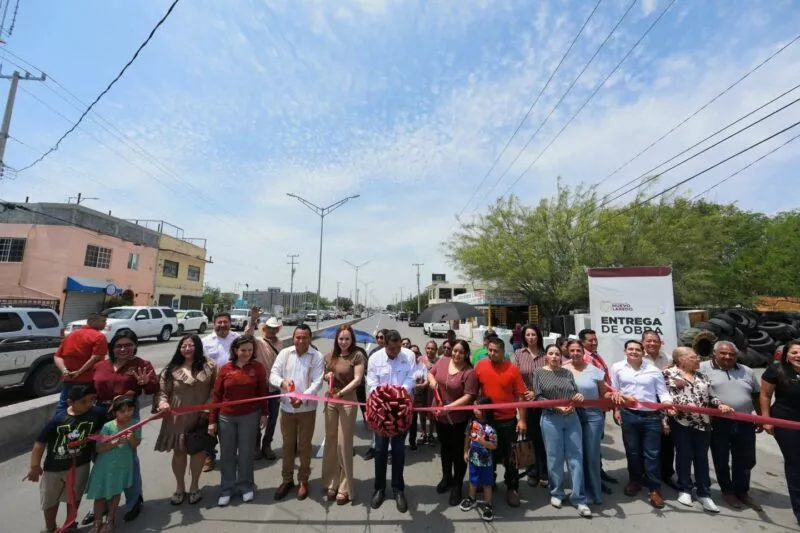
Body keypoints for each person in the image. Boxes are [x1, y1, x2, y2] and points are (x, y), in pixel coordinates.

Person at [83, 330, 156, 525]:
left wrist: (145, 384)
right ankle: (103, 504)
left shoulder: (142, 365)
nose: (123, 349)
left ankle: (134, 502)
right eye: (119, 345)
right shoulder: (101, 366)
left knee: (127, 458)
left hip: (126, 415)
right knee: (101, 458)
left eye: (128, 344)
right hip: (100, 414)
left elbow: (153, 389)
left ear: (135, 345)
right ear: (112, 347)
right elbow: (90, 389)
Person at [664, 347, 733, 513]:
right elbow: (663, 395)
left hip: (703, 422)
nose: (698, 360)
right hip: (682, 422)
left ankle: (704, 493)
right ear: (681, 359)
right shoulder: (667, 374)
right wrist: (667, 414)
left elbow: (711, 396)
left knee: (702, 458)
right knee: (684, 455)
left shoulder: (702, 375)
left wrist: (720, 404)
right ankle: (685, 489)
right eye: (694, 357)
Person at [26, 385, 101, 533]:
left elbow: (106, 427)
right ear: (70, 402)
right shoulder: (58, 420)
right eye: (83, 401)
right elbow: (40, 443)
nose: (88, 404)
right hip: (53, 468)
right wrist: (35, 466)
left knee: (74, 497)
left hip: (80, 465)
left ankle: (70, 524)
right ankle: (50, 527)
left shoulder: (97, 414)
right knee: (50, 500)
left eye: (91, 400)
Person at [154, 334, 218, 506]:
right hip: (177, 416)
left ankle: (195, 486)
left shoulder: (210, 366)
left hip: (201, 415)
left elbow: (216, 390)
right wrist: (162, 402)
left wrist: (208, 406)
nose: (187, 348)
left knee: (198, 451)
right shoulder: (171, 369)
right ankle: (179, 487)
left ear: (198, 346)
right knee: (179, 451)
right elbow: (162, 391)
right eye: (184, 345)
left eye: (191, 345)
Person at [700, 341, 763, 511]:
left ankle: (742, 491)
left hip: (745, 421)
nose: (728, 357)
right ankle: (727, 490)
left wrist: (761, 418)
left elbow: (756, 396)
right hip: (718, 422)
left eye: (732, 354)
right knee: (721, 458)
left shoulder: (747, 371)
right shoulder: (702, 368)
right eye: (723, 353)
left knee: (745, 458)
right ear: (714, 353)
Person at [610, 339, 673, 509]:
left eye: (637, 349)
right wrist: (616, 409)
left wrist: (669, 405)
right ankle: (635, 481)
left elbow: (663, 393)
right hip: (629, 415)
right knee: (633, 451)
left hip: (651, 417)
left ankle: (655, 489)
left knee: (652, 454)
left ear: (643, 351)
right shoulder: (617, 368)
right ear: (625, 351)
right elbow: (614, 391)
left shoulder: (653, 371)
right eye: (630, 349)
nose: (634, 352)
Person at [209, 335, 268, 507]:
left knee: (246, 453)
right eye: (243, 350)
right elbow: (217, 396)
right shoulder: (225, 369)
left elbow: (262, 393)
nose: (247, 353)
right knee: (227, 454)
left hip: (249, 416)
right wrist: (212, 420)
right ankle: (226, 488)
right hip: (226, 417)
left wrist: (264, 414)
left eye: (250, 350)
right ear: (235, 350)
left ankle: (246, 486)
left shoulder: (258, 368)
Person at [534, 344, 592, 517]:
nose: (554, 356)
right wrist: (557, 406)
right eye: (551, 353)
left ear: (561, 356)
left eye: (557, 354)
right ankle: (557, 492)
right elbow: (538, 396)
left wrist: (578, 397)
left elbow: (574, 392)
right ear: (546, 356)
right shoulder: (538, 373)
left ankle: (579, 498)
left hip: (572, 417)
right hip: (551, 419)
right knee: (554, 457)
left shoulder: (567, 373)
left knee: (576, 457)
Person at [270, 324, 325, 501]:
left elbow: (317, 383)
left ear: (310, 339)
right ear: (293, 338)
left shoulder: (316, 356)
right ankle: (287, 480)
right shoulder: (285, 354)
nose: (300, 341)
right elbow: (273, 374)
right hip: (286, 408)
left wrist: (301, 397)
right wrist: (283, 383)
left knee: (304, 446)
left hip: (306, 409)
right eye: (297, 337)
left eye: (304, 337)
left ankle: (303, 479)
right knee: (288, 445)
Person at [365, 329, 416, 513]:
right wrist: (385, 397)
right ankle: (379, 488)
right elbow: (371, 383)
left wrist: (399, 394)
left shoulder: (408, 356)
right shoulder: (375, 359)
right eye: (392, 348)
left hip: (401, 412)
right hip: (381, 413)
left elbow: (411, 378)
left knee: (399, 452)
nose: (396, 351)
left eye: (398, 347)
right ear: (385, 345)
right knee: (379, 451)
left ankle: (398, 489)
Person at [474, 336, 527, 508]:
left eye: (496, 351)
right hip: (487, 420)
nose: (492, 353)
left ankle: (512, 487)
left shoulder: (512, 369)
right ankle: (490, 481)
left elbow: (520, 395)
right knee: (488, 454)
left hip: (507, 421)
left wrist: (522, 420)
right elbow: (474, 390)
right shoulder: (480, 366)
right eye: (490, 350)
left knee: (510, 457)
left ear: (503, 352)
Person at [564, 339, 617, 506]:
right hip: (571, 416)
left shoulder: (595, 371)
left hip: (593, 416)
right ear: (568, 352)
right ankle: (579, 492)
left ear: (583, 352)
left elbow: (604, 394)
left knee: (592, 455)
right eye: (571, 351)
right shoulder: (563, 369)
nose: (575, 354)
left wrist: (615, 397)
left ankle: (595, 491)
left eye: (578, 350)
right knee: (575, 455)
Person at [428, 339, 478, 505]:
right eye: (455, 351)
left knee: (458, 453)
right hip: (440, 417)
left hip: (458, 420)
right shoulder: (442, 362)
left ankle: (457, 485)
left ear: (466, 354)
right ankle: (446, 478)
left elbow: (469, 395)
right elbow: (430, 372)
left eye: (460, 352)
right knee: (445, 449)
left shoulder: (469, 372)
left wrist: (450, 407)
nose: (456, 354)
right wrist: (432, 381)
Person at [321, 325, 366, 505]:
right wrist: (327, 376)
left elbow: (357, 380)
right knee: (331, 441)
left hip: (347, 400)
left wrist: (341, 393)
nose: (344, 342)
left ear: (352, 340)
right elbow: (323, 375)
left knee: (343, 443)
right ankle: (332, 481)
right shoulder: (330, 355)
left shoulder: (357, 355)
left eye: (347, 339)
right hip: (331, 400)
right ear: (336, 339)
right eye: (341, 339)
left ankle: (345, 486)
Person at [85, 394, 142, 533]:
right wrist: (115, 442)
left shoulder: (135, 424)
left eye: (130, 410)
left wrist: (131, 439)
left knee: (116, 494)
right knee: (100, 496)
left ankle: (110, 520)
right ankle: (97, 522)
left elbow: (136, 445)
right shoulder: (108, 426)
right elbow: (99, 447)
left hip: (122, 466)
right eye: (122, 411)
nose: (127, 414)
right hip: (104, 467)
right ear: (115, 412)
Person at [760, 340, 800, 526]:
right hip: (785, 421)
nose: (798, 355)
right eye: (794, 352)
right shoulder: (776, 370)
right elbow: (765, 395)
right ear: (786, 354)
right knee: (795, 464)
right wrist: (766, 419)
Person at [201, 312, 240, 472]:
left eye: (225, 322)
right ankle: (209, 456)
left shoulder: (237, 338)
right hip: (210, 389)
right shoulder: (205, 342)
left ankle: (229, 456)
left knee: (229, 424)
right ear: (213, 323)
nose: (222, 325)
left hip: (232, 389)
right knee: (208, 423)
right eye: (219, 322)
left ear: (230, 323)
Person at [579, 328, 616, 489]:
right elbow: (600, 381)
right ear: (582, 342)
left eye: (595, 339)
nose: (594, 342)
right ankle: (593, 480)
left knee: (595, 444)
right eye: (590, 340)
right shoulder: (585, 358)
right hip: (591, 408)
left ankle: (598, 472)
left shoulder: (595, 355)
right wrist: (616, 394)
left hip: (600, 405)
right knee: (590, 446)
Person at [513, 324, 548, 488]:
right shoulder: (519, 354)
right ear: (524, 337)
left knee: (544, 438)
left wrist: (536, 392)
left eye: (534, 334)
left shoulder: (546, 355)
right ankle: (533, 471)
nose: (531, 337)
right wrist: (526, 392)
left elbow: (552, 376)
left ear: (538, 336)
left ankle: (545, 472)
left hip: (544, 401)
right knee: (529, 437)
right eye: (528, 335)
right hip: (524, 401)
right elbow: (516, 377)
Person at [53, 313, 108, 417]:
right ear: (92, 322)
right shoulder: (99, 336)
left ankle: (57, 427)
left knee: (63, 404)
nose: (105, 323)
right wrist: (79, 372)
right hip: (87, 380)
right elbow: (96, 357)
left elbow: (57, 356)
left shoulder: (71, 335)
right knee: (85, 407)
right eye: (103, 321)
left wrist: (64, 370)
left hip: (68, 378)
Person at [641, 330, 676, 490]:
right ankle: (644, 475)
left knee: (668, 441)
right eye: (648, 341)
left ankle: (667, 474)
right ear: (643, 342)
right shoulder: (637, 358)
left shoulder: (669, 358)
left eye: (655, 341)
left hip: (666, 403)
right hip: (645, 405)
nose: (652, 344)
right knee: (645, 443)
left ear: (660, 342)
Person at [247, 313, 283, 461]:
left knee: (272, 418)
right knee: (256, 417)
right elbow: (248, 335)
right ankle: (255, 445)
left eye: (275, 329)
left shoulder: (280, 343)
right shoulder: (258, 342)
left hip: (275, 386)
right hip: (259, 386)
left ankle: (266, 445)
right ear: (265, 329)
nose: (272, 331)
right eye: (270, 328)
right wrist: (253, 320)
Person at [459, 397, 498, 522]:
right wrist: (466, 451)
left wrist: (482, 441)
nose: (474, 410)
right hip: (473, 459)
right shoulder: (472, 422)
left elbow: (494, 445)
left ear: (486, 410)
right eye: (474, 407)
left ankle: (488, 505)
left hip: (486, 462)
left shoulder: (490, 427)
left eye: (477, 408)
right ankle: (472, 498)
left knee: (487, 483)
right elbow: (467, 437)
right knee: (473, 479)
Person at [362, 328, 389, 460]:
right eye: (377, 337)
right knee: (375, 422)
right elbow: (367, 371)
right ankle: (374, 447)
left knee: (389, 422)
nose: (379, 340)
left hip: (390, 396)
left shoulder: (393, 353)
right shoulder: (373, 353)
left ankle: (389, 450)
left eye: (381, 337)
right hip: (375, 393)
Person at [410, 343, 433, 449]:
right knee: (410, 420)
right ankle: (410, 440)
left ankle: (415, 440)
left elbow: (426, 378)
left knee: (422, 416)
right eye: (412, 352)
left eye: (416, 352)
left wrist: (423, 385)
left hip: (420, 395)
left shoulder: (422, 364)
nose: (414, 354)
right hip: (407, 397)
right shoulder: (405, 364)